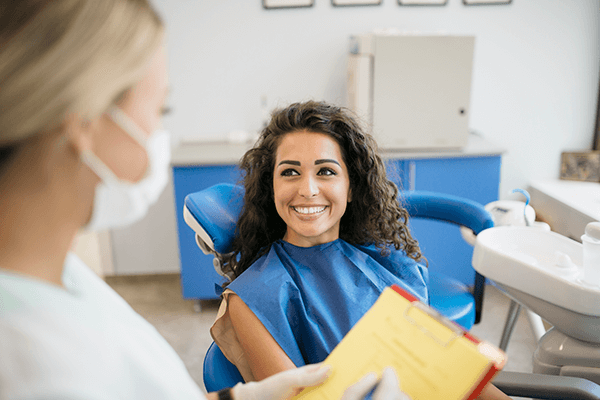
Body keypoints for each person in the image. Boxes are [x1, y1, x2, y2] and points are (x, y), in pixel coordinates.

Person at [0, 1, 406, 399]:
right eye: (162, 107)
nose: (309, 188)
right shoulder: (32, 364)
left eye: (327, 171)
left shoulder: (62, 278)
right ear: (83, 122)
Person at [211, 101, 512, 400]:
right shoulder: (251, 298)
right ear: (271, 186)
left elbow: (442, 369)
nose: (308, 190)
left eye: (326, 171)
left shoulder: (388, 262)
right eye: (290, 172)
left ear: (351, 186)